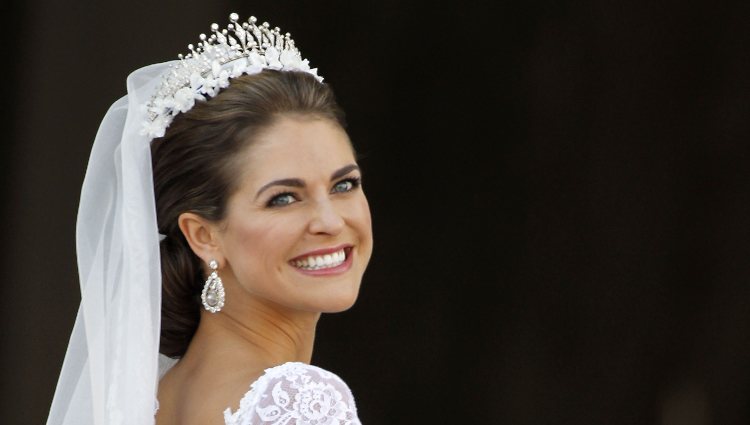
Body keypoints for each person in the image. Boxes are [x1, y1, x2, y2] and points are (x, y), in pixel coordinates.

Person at [47, 13, 372, 425]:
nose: (329, 220)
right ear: (203, 236)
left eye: (344, 185)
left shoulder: (153, 399)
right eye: (283, 198)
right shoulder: (298, 401)